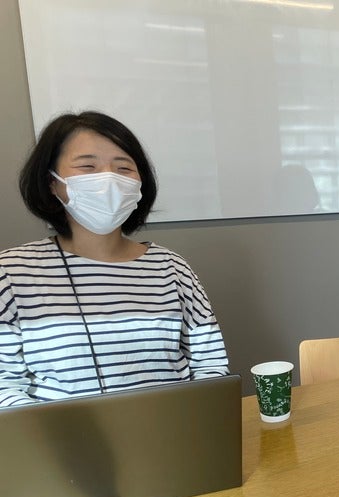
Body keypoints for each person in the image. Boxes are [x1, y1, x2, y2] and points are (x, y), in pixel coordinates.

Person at [0, 111, 229, 407]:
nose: (108, 178)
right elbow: (5, 385)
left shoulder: (172, 268)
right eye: (88, 166)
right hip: (62, 436)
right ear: (52, 182)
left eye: (123, 168)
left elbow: (210, 366)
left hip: (171, 429)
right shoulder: (12, 273)